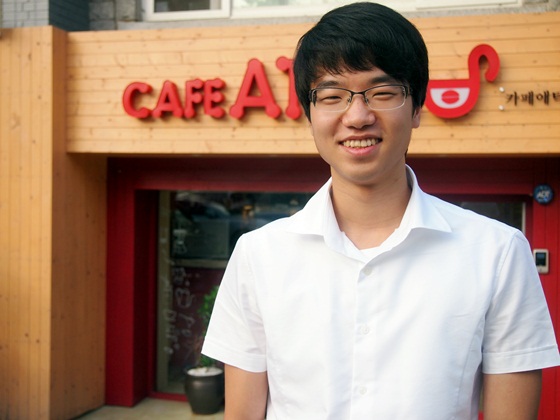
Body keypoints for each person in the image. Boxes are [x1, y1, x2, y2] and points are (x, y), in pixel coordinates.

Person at [202, 3, 560, 419]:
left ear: (417, 108)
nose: (357, 117)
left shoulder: (497, 253)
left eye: (383, 93)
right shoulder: (258, 256)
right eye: (332, 96)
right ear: (310, 116)